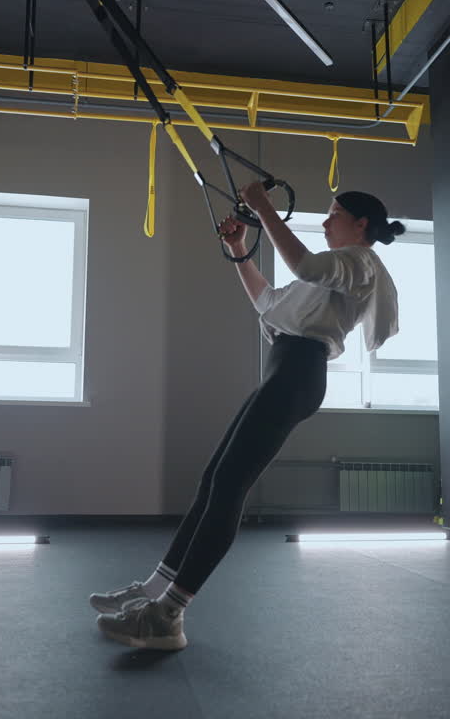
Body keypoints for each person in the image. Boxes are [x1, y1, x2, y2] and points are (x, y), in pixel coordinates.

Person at [92, 181, 404, 650]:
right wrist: (239, 249)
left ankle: (168, 615)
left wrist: (263, 207)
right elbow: (267, 303)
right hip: (286, 369)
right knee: (215, 479)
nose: (324, 221)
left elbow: (302, 261)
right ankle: (155, 591)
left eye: (334, 213)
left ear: (361, 225)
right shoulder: (330, 275)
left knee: (229, 484)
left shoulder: (359, 262)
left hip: (298, 372)